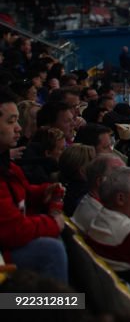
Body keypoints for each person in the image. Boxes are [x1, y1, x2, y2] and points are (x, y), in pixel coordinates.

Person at [0, 91, 68, 283]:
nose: (18, 128)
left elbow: (21, 195)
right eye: (11, 121)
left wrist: (43, 192)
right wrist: (53, 223)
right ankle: (60, 309)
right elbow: (13, 231)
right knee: (50, 250)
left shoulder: (9, 167)